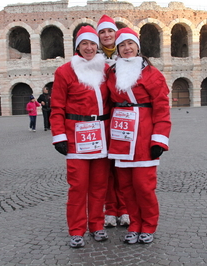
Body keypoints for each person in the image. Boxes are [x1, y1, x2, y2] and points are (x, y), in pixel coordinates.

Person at [106, 27, 171, 244]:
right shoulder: (112, 72)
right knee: (126, 187)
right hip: (121, 136)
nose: (126, 48)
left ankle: (149, 225)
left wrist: (159, 138)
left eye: (130, 44)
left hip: (143, 135)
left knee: (144, 186)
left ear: (137, 46)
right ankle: (135, 224)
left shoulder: (152, 74)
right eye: (122, 45)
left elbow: (162, 108)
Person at [50, 25, 110, 248]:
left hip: (101, 134)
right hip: (77, 136)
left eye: (92, 43)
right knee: (78, 186)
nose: (89, 47)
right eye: (84, 43)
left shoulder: (105, 70)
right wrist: (59, 136)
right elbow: (57, 107)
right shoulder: (65, 71)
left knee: (99, 186)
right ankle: (76, 230)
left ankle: (97, 225)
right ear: (77, 46)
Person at [97, 14, 130, 228]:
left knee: (124, 167)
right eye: (102, 31)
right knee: (106, 169)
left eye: (110, 31)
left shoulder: (128, 55)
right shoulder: (91, 57)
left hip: (123, 119)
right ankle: (110, 209)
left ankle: (125, 208)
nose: (107, 35)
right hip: (101, 121)